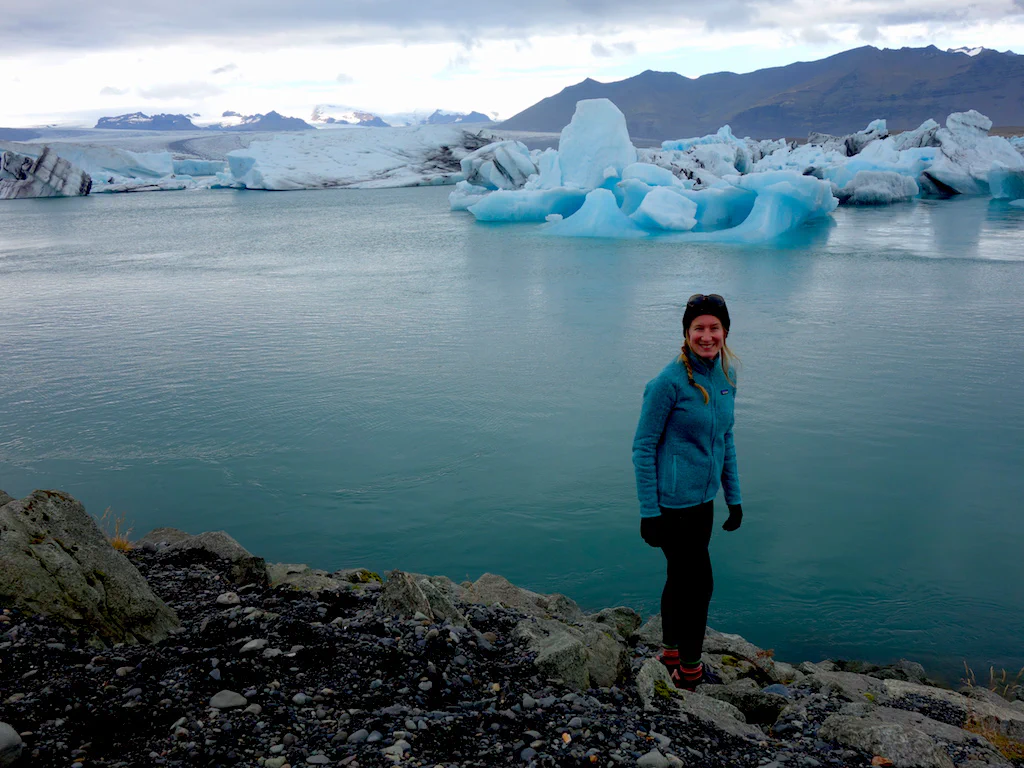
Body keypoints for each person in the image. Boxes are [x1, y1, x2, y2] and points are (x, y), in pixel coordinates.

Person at [632, 293, 743, 690]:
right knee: (699, 584)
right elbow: (643, 446)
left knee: (679, 578)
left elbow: (725, 438)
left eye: (714, 327)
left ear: (725, 331)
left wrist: (734, 497)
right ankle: (690, 674)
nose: (707, 336)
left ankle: (671, 655)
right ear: (687, 332)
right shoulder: (667, 383)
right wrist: (649, 512)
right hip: (671, 505)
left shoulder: (726, 376)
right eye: (699, 328)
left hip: (703, 503)